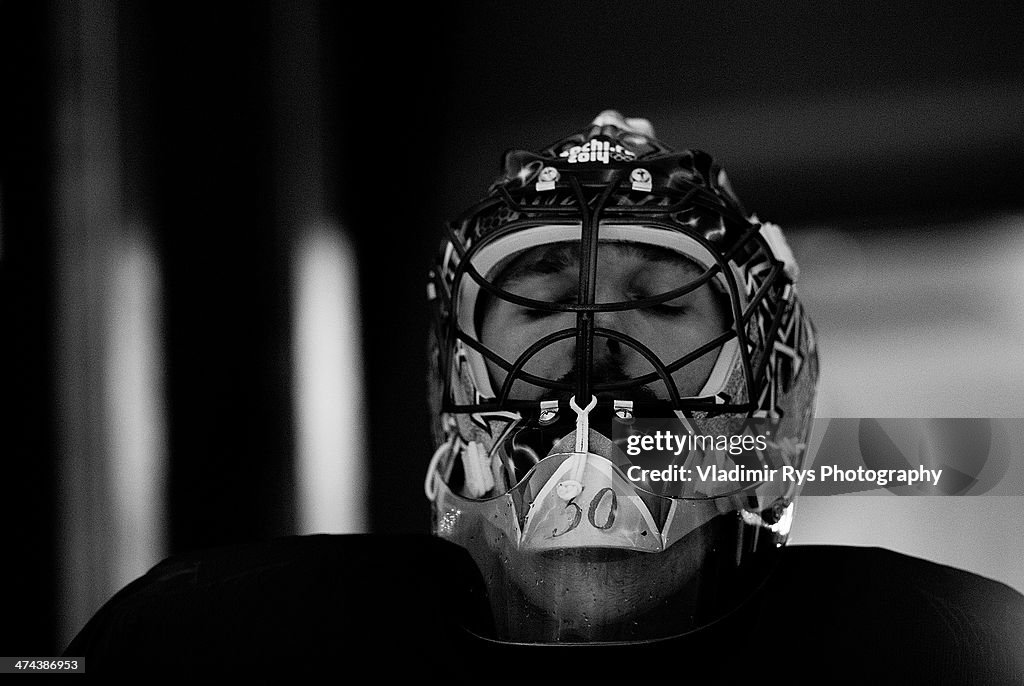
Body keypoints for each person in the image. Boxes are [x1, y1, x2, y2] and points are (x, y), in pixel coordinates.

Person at [65, 112, 1024, 682]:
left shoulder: (955, 649)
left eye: (658, 298)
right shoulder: (207, 645)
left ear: (772, 393)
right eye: (538, 297)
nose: (591, 342)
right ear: (454, 378)